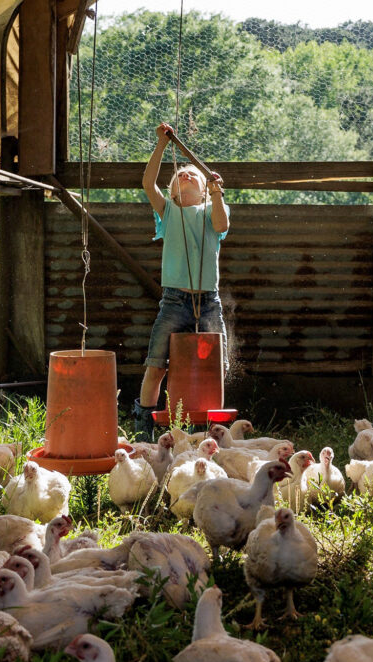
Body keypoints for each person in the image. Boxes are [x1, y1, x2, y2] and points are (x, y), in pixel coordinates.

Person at [132, 122, 230, 437]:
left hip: (209, 302)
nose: (185, 174)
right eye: (179, 175)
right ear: (173, 192)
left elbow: (221, 221)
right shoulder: (168, 212)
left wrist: (216, 194)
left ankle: (212, 431)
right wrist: (161, 144)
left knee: (216, 368)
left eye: (193, 174)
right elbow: (148, 183)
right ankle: (146, 428)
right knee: (156, 364)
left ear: (203, 189)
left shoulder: (210, 210)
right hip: (174, 300)